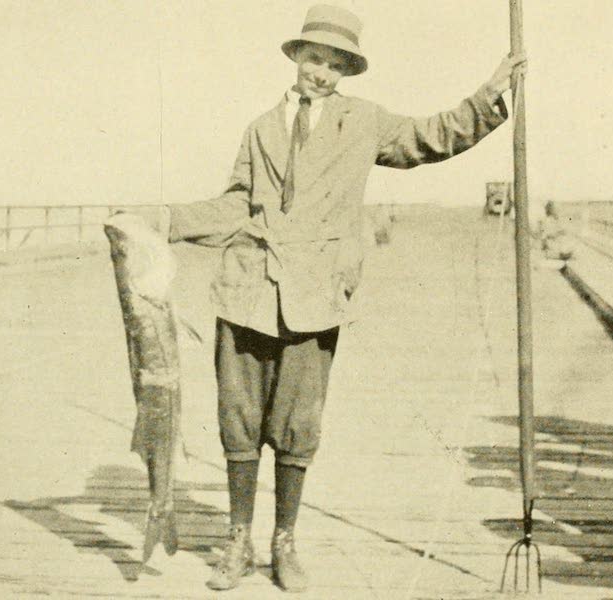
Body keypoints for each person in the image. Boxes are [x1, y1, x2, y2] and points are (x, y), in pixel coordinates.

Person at [159, 4, 525, 592]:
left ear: (348, 71)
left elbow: (431, 136)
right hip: (246, 291)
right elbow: (235, 206)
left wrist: (490, 93)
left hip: (314, 298)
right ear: (296, 58)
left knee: (298, 428)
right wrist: (165, 220)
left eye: (335, 65)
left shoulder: (365, 122)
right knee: (238, 422)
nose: (321, 73)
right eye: (314, 59)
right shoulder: (260, 128)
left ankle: (284, 543)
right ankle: (235, 543)